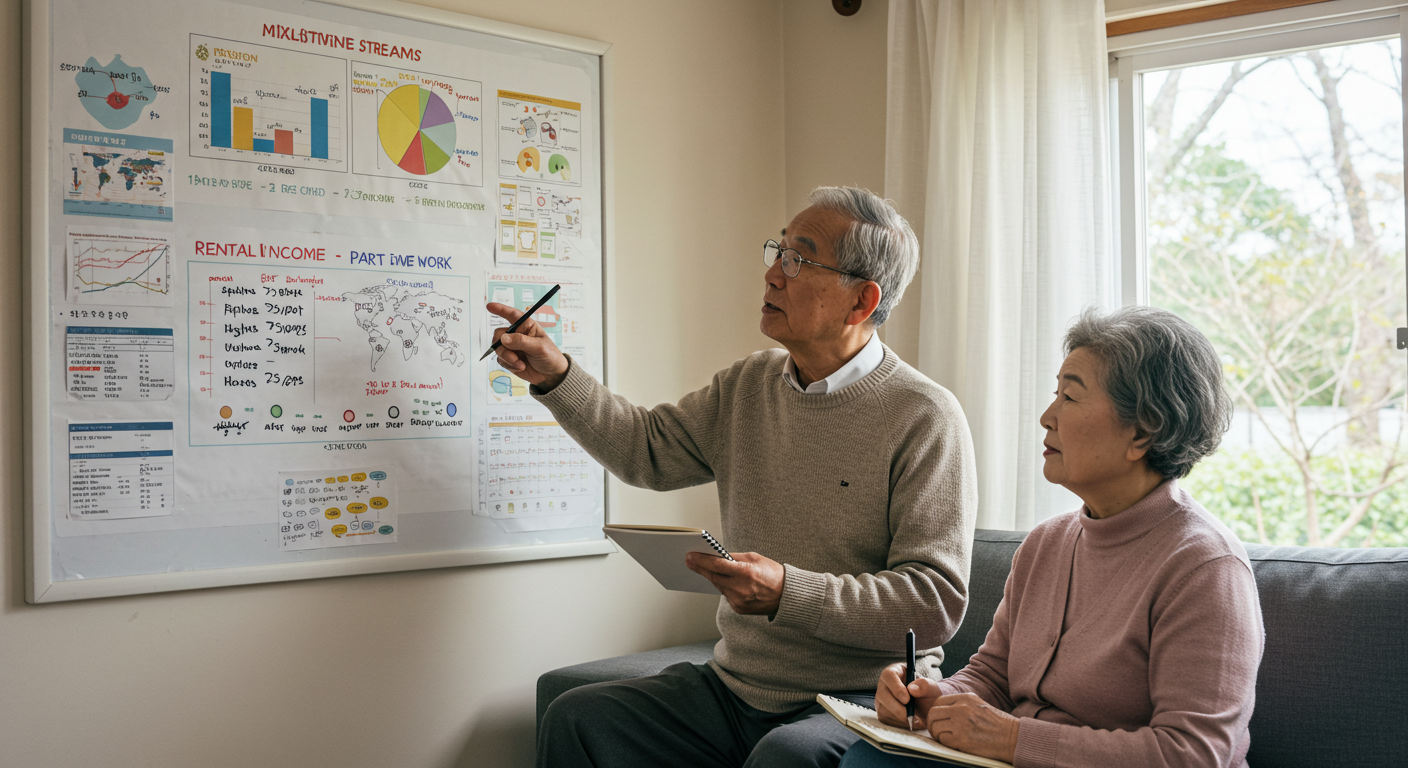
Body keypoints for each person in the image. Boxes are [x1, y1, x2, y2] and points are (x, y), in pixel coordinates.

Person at [493, 186, 979, 768]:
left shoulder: (924, 416)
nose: (773, 274)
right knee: (578, 717)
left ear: (861, 300)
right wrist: (557, 377)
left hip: (862, 701)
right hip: (734, 690)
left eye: (800, 259)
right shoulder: (750, 384)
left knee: (786, 756)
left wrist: (786, 592)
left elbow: (934, 601)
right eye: (778, 251)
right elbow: (646, 451)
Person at [845, 306, 1264, 768]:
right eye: (1054, 395)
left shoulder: (1204, 568)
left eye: (1071, 398)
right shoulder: (1046, 543)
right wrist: (931, 696)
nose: (1047, 417)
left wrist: (1012, 740)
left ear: (1143, 431)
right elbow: (994, 677)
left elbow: (1193, 754)